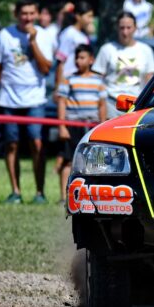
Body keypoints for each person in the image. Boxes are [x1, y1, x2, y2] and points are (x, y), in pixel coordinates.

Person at [0, 0, 54, 204]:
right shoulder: (5, 35)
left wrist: (33, 42)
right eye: (24, 14)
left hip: (35, 99)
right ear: (16, 15)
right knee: (11, 144)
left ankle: (40, 192)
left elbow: (46, 68)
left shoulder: (44, 36)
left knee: (37, 143)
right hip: (8, 99)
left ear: (37, 14)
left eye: (32, 13)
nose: (28, 18)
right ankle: (15, 191)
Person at [56, 44, 106, 201]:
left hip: (91, 126)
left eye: (82, 58)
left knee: (94, 163)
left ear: (91, 60)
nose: (78, 61)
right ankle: (64, 197)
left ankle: (91, 195)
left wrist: (102, 126)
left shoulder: (98, 80)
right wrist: (62, 126)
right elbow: (62, 102)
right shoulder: (69, 79)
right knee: (68, 161)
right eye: (77, 58)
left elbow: (102, 104)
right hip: (73, 125)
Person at [93, 11, 154, 116]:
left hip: (136, 105)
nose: (125, 32)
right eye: (122, 28)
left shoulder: (146, 50)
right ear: (117, 28)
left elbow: (149, 79)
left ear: (135, 28)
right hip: (111, 104)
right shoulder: (107, 49)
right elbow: (97, 79)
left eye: (128, 28)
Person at [54, 1, 93, 88]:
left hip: (80, 82)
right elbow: (61, 61)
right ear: (78, 16)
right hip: (68, 81)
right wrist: (58, 87)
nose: (91, 20)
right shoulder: (69, 33)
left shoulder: (83, 35)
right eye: (88, 16)